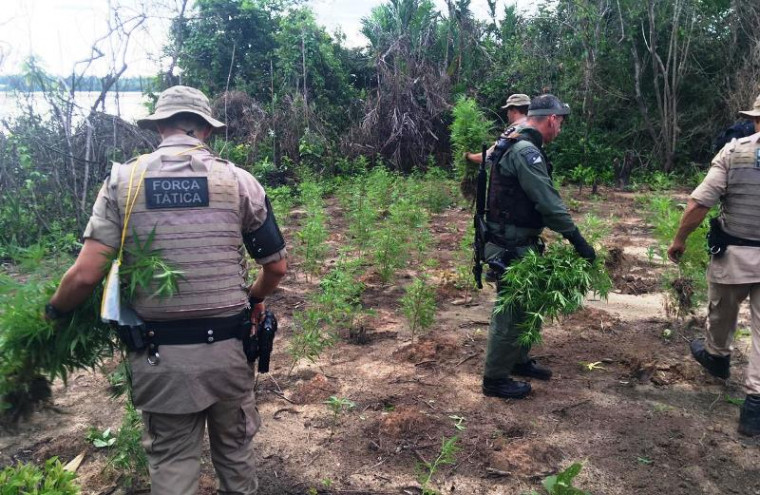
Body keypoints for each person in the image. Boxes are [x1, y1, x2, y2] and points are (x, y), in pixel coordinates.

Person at [44, 85, 288, 493]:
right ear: (205, 131)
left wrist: (52, 315)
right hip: (230, 351)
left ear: (159, 126)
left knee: (172, 461)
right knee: (236, 452)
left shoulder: (124, 181)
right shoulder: (239, 181)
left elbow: (86, 276)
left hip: (161, 359)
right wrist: (254, 299)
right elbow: (276, 267)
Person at [481, 94, 596, 400]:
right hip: (510, 244)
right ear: (550, 120)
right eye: (560, 123)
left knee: (527, 304)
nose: (560, 130)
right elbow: (548, 202)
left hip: (519, 240)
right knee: (511, 309)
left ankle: (517, 360)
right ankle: (494, 379)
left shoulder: (518, 143)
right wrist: (577, 240)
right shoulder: (525, 151)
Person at [667, 93, 760, 437]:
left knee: (722, 310)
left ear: (755, 119)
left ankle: (717, 357)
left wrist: (679, 239)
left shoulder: (734, 152)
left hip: (736, 253)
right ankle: (754, 408)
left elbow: (699, 203)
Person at [464, 93, 530, 165]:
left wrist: (468, 156)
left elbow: (488, 157)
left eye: (508, 110)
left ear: (514, 111)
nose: (507, 114)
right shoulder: (533, 128)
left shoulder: (513, 131)